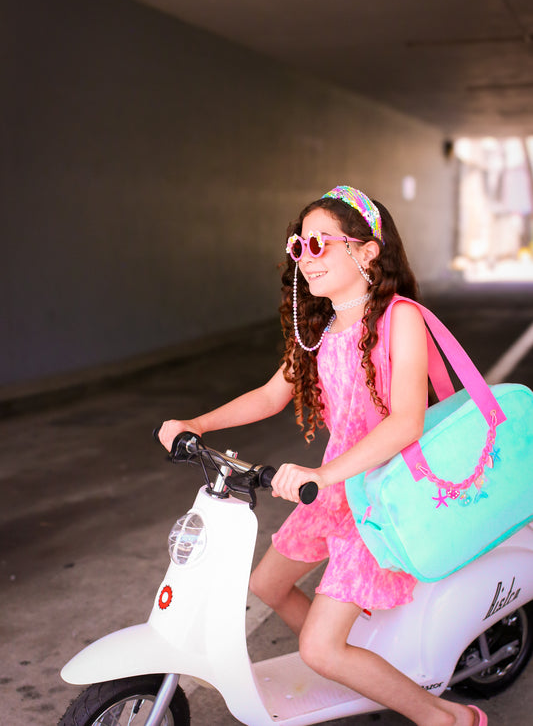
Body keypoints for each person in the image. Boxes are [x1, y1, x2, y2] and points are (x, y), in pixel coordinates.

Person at [158, 185, 488, 726]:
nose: (305, 257)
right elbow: (271, 395)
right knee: (267, 584)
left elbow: (407, 421)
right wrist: (198, 424)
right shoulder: (320, 330)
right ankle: (355, 663)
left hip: (383, 496)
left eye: (319, 244)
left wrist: (323, 472)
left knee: (319, 649)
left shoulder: (400, 317)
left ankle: (448, 718)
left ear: (367, 251)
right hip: (335, 490)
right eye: (298, 246)